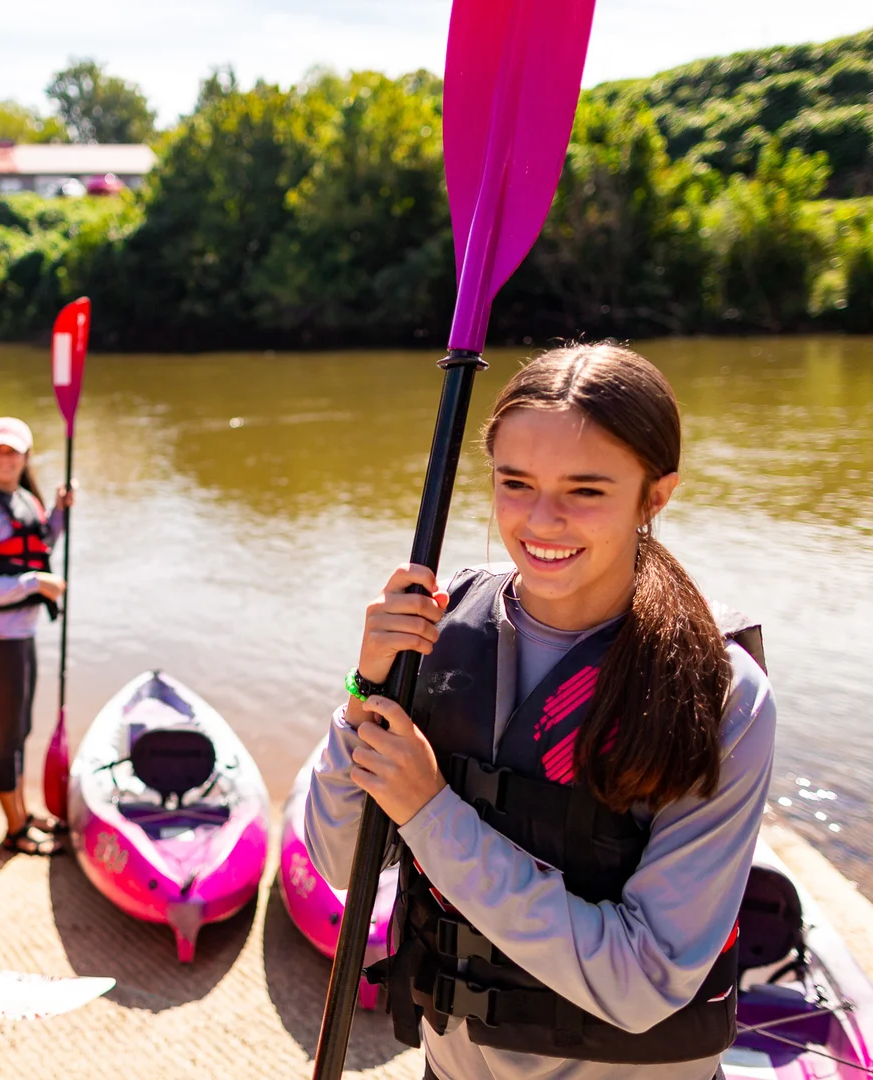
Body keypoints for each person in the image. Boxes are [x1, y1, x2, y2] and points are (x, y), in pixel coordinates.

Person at [305, 344, 777, 1080]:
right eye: (515, 482)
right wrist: (365, 690)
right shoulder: (437, 628)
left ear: (657, 494)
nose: (541, 521)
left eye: (585, 490)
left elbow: (644, 979)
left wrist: (431, 813)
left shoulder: (719, 694)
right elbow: (337, 862)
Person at [0, 416, 74, 856]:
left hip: (19, 634)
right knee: (9, 736)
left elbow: (38, 545)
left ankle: (22, 812)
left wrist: (59, 513)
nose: (5, 459)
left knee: (22, 730)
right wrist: (35, 584)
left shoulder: (26, 499)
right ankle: (15, 830)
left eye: (14, 452)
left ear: (26, 457)